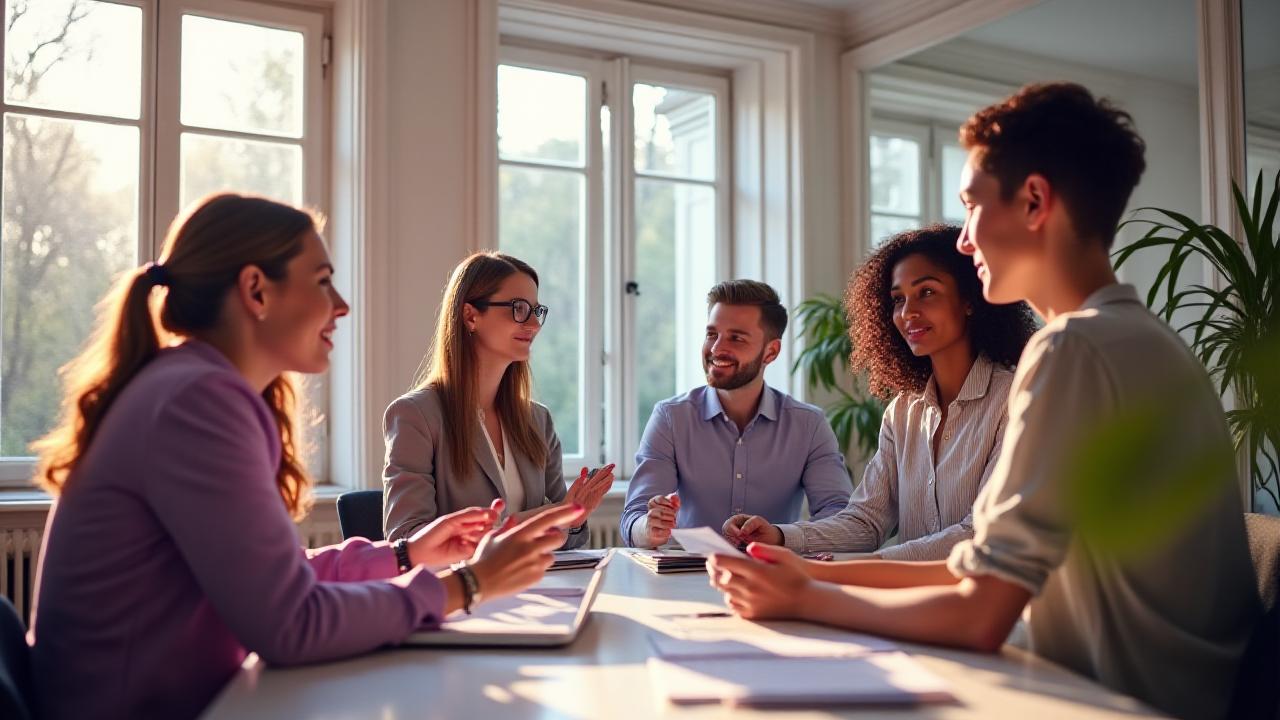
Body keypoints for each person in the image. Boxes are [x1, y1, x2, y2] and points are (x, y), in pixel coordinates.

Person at [707, 83, 1258, 720]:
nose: (965, 241)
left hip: (1118, 702)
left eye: (971, 207)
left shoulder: (1073, 349)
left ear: (1033, 202)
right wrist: (809, 572)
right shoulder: (1136, 339)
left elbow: (980, 613)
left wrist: (800, 598)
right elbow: (975, 566)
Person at [26, 194, 583, 720]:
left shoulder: (192, 388)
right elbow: (291, 624)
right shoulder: (196, 402)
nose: (340, 305)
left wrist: (406, 556)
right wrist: (468, 586)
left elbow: (279, 583)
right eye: (322, 282)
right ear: (255, 291)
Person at [724, 225, 1037, 559]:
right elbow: (866, 522)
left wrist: (872, 567)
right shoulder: (902, 412)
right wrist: (779, 536)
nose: (907, 313)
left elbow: (980, 532)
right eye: (898, 300)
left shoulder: (1016, 398)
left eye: (927, 292)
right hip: (907, 604)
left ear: (969, 300)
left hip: (988, 606)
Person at [383, 251, 615, 546]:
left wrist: (575, 518)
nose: (534, 324)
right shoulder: (416, 415)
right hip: (462, 589)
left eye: (536, 310)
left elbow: (568, 539)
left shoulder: (537, 420)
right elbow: (407, 538)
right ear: (470, 316)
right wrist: (552, 516)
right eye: (518, 308)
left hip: (538, 586)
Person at [621, 280, 852, 549]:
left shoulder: (809, 425)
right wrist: (649, 529)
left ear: (771, 351)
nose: (717, 348)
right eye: (711, 334)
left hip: (772, 579)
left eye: (736, 338)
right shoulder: (670, 418)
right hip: (688, 579)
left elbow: (840, 518)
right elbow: (634, 517)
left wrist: (779, 535)